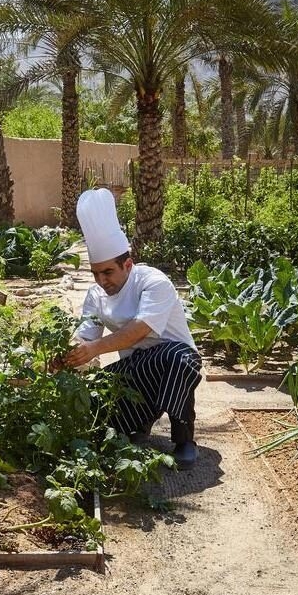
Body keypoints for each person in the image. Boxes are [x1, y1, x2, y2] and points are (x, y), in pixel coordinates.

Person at [63, 188, 202, 468]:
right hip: (136, 368)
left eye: (108, 272)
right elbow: (85, 337)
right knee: (97, 404)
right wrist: (67, 355)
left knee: (174, 358)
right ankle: (138, 424)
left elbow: (141, 328)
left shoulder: (152, 281)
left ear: (127, 264)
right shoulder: (95, 295)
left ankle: (184, 439)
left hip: (176, 359)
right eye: (95, 273)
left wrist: (94, 349)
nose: (102, 280)